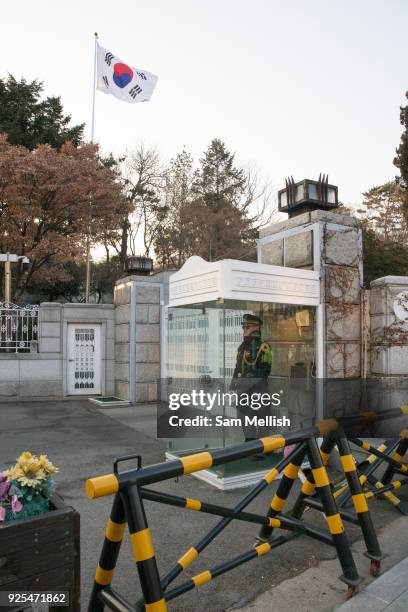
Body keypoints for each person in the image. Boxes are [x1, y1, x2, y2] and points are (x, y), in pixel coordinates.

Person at [231, 314, 273, 447]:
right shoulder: (242, 347)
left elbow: (265, 371)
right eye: (244, 327)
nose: (244, 329)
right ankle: (249, 445)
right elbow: (237, 367)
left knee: (261, 419)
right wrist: (233, 383)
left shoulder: (264, 347)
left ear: (257, 327)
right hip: (243, 390)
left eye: (247, 327)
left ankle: (263, 448)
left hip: (258, 389)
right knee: (244, 417)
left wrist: (249, 380)